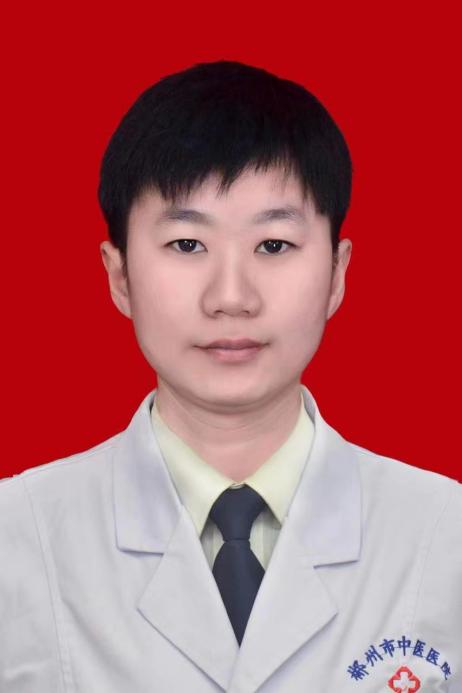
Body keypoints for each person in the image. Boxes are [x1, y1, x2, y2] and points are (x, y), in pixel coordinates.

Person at [1, 61, 461, 693]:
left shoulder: (445, 536)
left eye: (274, 245)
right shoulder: (16, 538)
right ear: (119, 276)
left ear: (337, 273)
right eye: (187, 245)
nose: (231, 297)